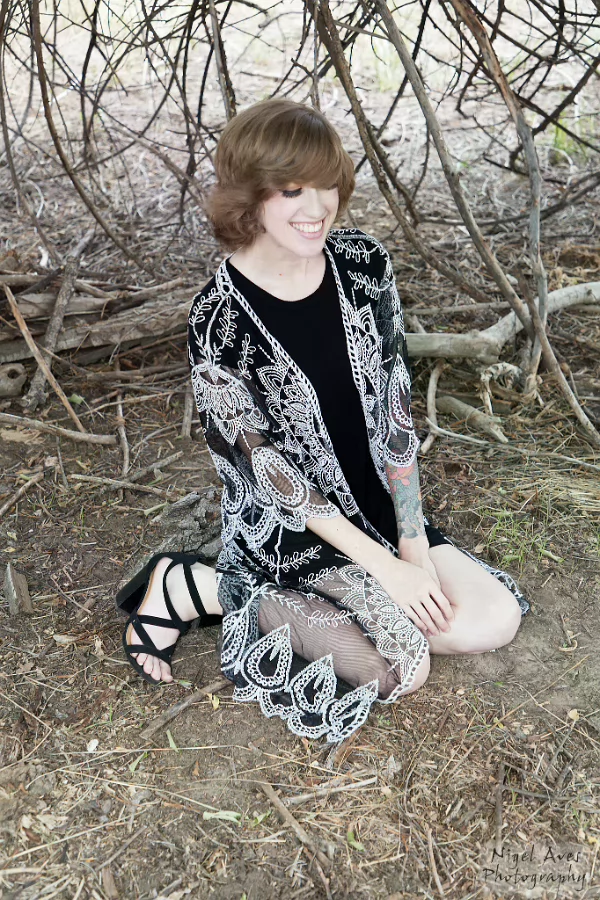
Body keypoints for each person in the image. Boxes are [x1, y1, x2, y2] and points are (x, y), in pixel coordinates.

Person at [116, 98, 529, 744]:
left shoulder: (364, 265)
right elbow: (268, 469)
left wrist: (411, 542)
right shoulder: (218, 322)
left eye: (326, 185)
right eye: (291, 190)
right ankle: (199, 587)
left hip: (379, 506)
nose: (316, 208)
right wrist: (385, 569)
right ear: (249, 197)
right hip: (293, 531)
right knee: (400, 665)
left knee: (493, 619)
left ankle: (351, 593)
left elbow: (395, 403)